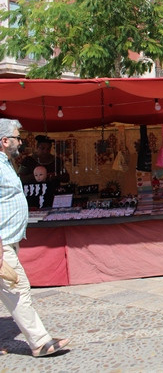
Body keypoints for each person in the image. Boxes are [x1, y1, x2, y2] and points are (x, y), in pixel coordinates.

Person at [0, 119, 70, 357]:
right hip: (2, 243)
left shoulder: (6, 163)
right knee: (18, 289)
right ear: (4, 140)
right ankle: (40, 342)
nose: (21, 142)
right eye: (18, 137)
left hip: (9, 241)